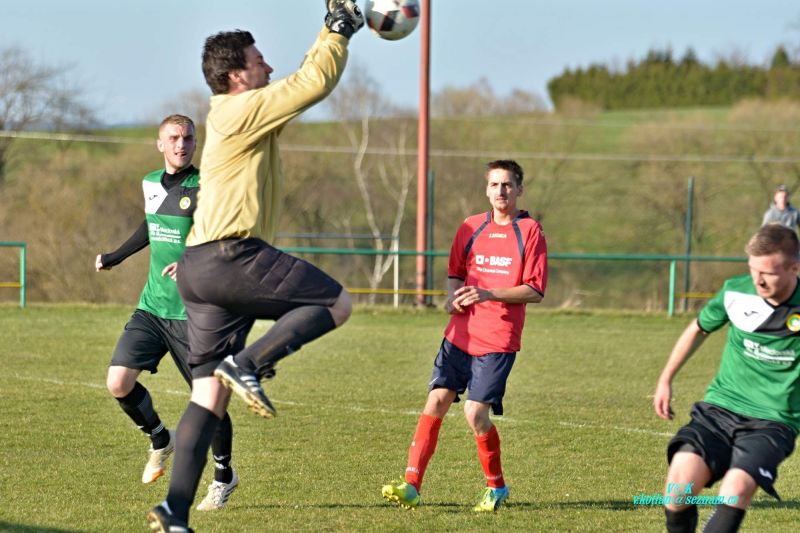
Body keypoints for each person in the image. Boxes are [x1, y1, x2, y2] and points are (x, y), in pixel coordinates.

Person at [147, 3, 364, 531]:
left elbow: (296, 90)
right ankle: (250, 363)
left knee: (207, 397)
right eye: (259, 59)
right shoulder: (237, 108)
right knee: (335, 302)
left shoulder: (238, 115)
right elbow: (311, 83)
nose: (269, 66)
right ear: (236, 75)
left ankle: (175, 509)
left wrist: (328, 29)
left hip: (200, 269)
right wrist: (336, 33)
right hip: (230, 255)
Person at [381, 159, 548, 513]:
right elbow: (456, 274)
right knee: (436, 400)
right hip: (460, 334)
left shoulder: (530, 231)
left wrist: (490, 293)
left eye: (507, 185)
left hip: (498, 338)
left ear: (519, 189)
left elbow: (534, 289)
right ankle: (411, 485)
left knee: (475, 414)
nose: (500, 191)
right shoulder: (470, 226)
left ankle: (496, 488)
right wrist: (452, 297)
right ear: (486, 189)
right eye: (494, 185)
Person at [97, 114, 240, 512]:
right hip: (153, 307)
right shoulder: (149, 183)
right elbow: (151, 226)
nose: (182, 144)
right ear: (160, 144)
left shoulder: (206, 187)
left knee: (209, 400)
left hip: (195, 313)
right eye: (174, 138)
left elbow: (226, 239)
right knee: (118, 382)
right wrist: (114, 258)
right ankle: (161, 438)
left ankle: (224, 476)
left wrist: (193, 263)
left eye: (188, 138)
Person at [654, 224, 800, 533]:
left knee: (736, 489)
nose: (758, 280)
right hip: (720, 410)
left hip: (774, 420)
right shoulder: (736, 291)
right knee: (678, 486)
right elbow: (698, 328)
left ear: (794, 268)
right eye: (752, 270)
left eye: (768, 273)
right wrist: (666, 378)